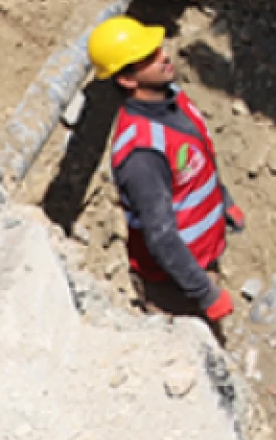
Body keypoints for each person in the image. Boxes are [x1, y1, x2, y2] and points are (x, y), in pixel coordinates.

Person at [88, 17, 242, 324]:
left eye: (157, 49)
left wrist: (223, 200)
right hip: (174, 285)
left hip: (199, 261)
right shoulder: (142, 154)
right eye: (149, 58)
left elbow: (200, 158)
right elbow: (161, 237)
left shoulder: (174, 99)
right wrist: (206, 294)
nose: (164, 56)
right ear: (127, 80)